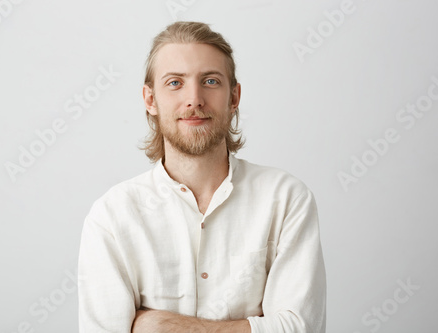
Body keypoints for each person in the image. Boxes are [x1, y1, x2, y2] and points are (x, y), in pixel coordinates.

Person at [78, 21, 326, 333]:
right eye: (174, 83)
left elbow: (300, 329)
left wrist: (157, 326)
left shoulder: (285, 199)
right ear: (150, 99)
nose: (194, 99)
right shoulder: (112, 216)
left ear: (234, 98)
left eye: (210, 81)